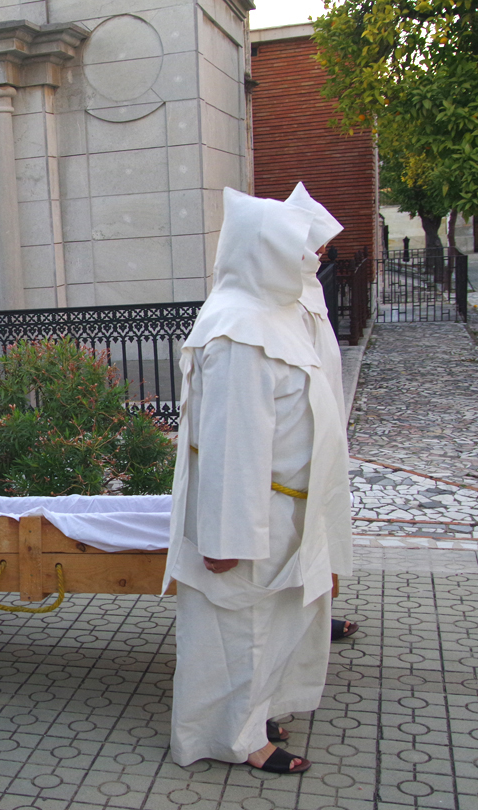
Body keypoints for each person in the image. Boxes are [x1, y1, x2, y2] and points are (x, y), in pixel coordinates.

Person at [164, 187, 352, 774]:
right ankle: (234, 739)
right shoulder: (238, 333)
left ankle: (255, 715)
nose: (313, 259)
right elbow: (229, 447)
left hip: (283, 510)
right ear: (266, 250)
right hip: (251, 518)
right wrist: (226, 540)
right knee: (239, 632)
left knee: (270, 627)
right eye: (302, 248)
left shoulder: (271, 313)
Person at [286, 182, 360, 644]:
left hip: (327, 422)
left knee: (325, 522)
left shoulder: (310, 285)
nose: (322, 252)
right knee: (303, 528)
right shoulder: (287, 289)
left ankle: (319, 611)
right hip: (302, 433)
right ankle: (305, 618)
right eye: (317, 243)